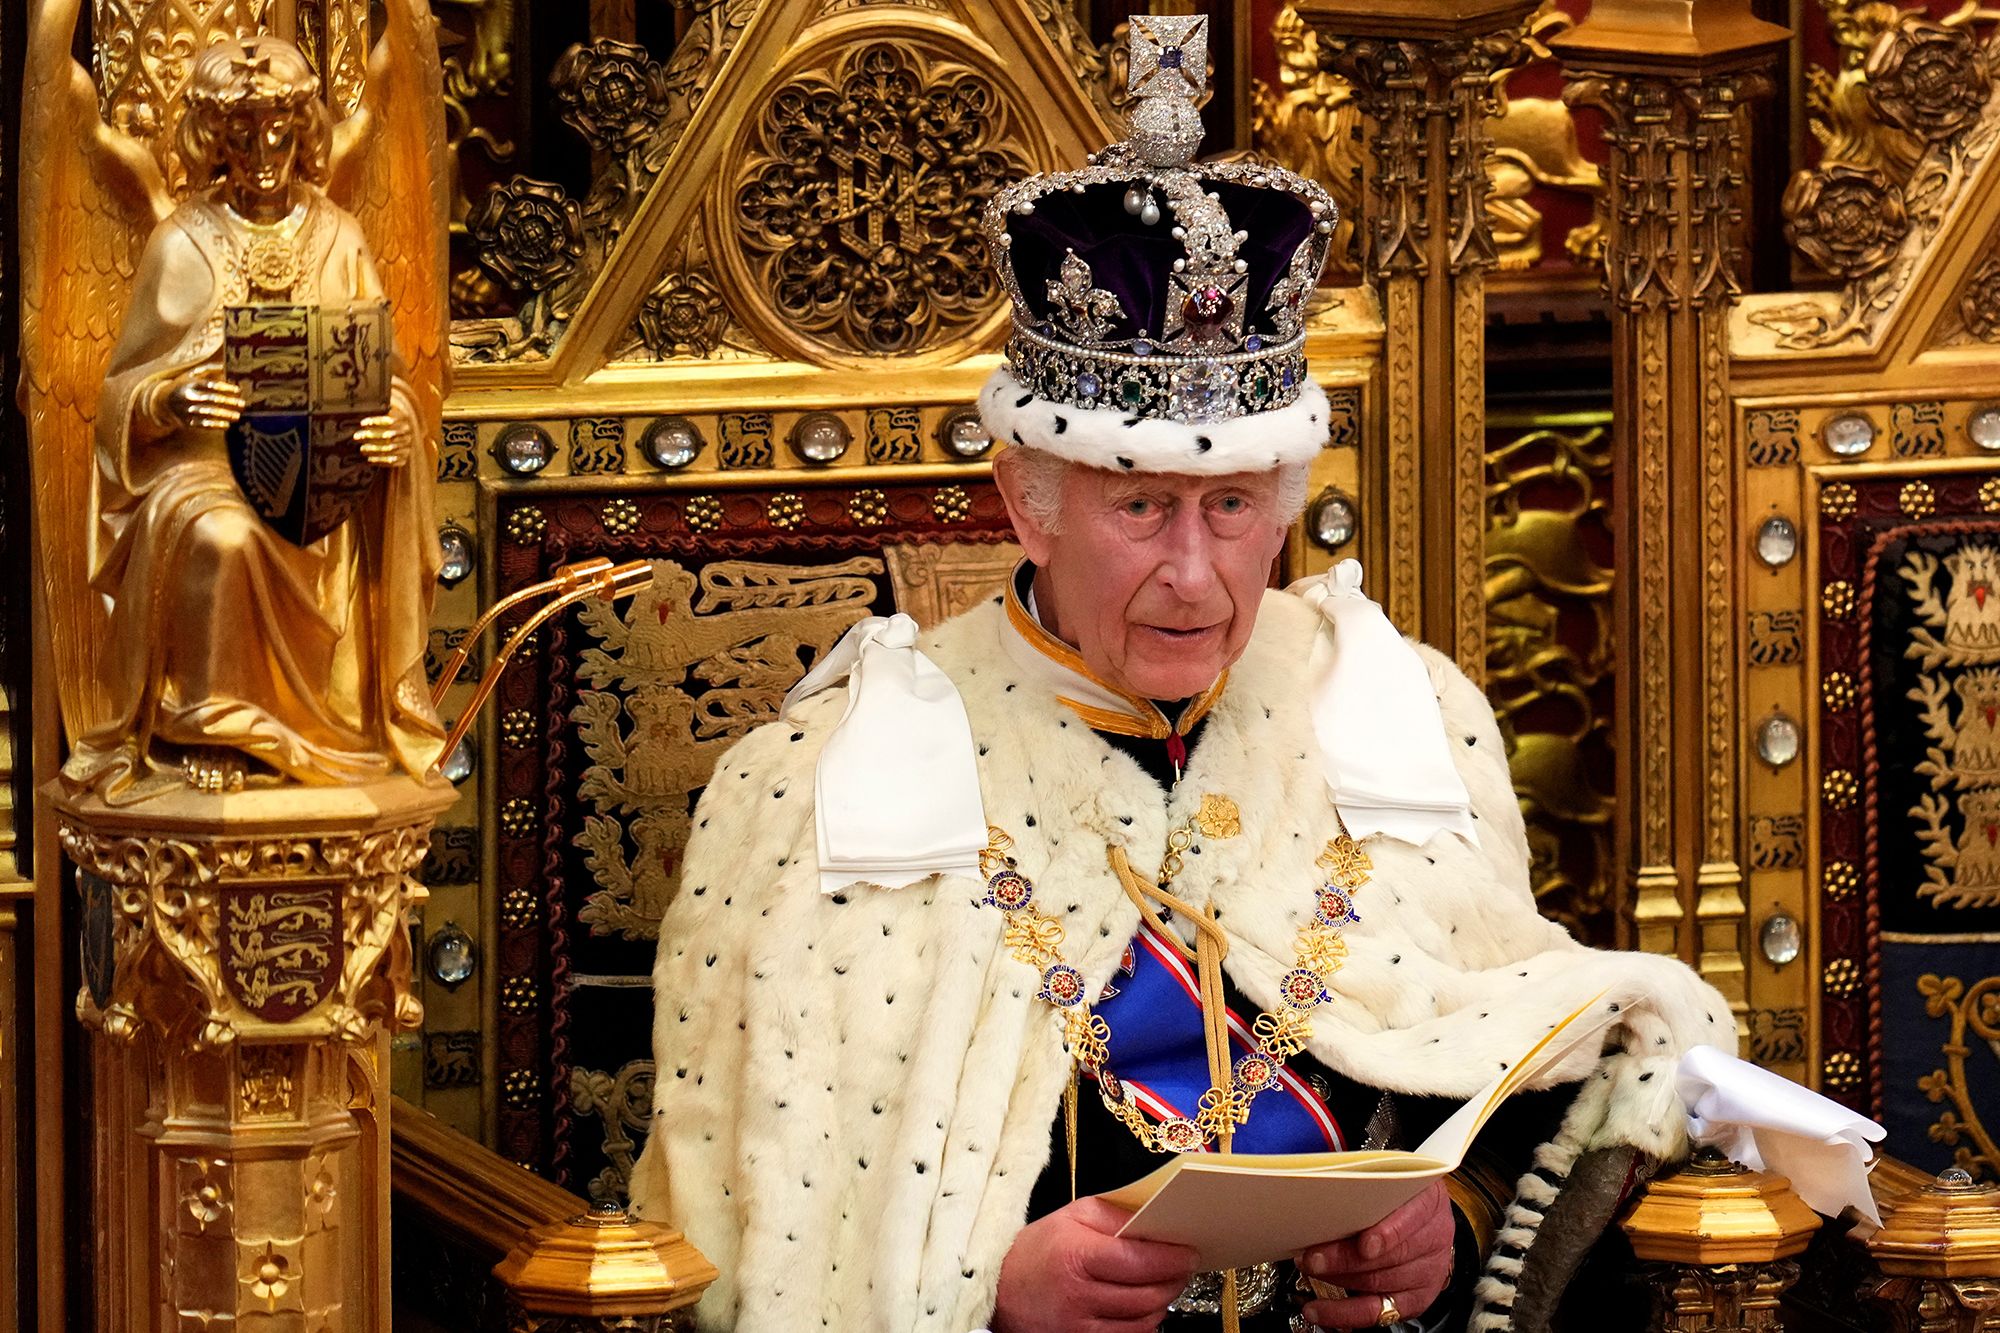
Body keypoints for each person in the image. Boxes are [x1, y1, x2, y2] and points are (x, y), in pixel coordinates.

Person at [630, 17, 1729, 1332]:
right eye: (1143, 510)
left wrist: (1450, 1231)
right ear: (1027, 502)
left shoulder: (1401, 714)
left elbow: (1516, 1070)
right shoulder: (812, 790)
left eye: (1233, 507)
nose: (1200, 576)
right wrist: (988, 1295)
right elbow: (739, 1238)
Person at [64, 35, 444, 801]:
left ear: (303, 132)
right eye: (241, 135)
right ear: (214, 140)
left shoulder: (339, 235)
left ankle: (332, 730)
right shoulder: (182, 242)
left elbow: (385, 376)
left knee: (313, 529)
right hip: (200, 473)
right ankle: (213, 725)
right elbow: (117, 394)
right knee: (225, 536)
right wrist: (166, 400)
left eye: (278, 130)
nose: (263, 152)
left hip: (319, 478)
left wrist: (397, 423)